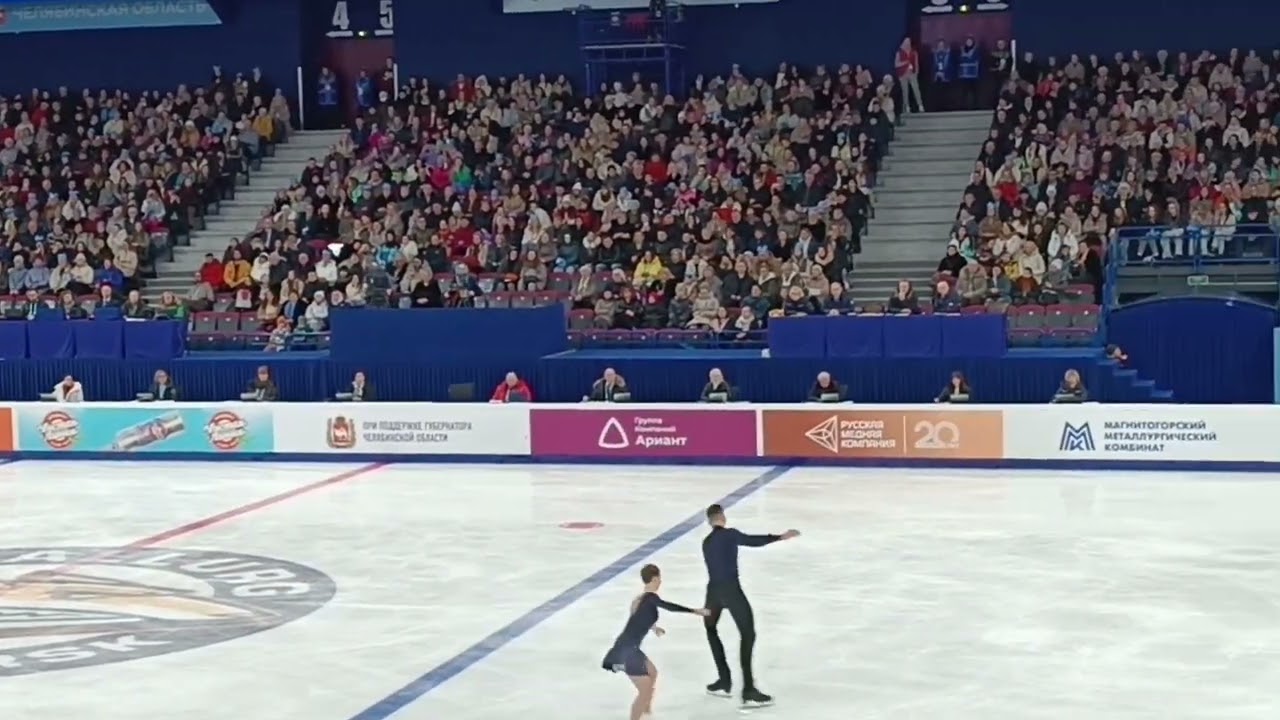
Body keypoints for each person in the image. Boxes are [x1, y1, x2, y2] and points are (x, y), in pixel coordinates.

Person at [702, 504, 800, 709]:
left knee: (711, 629)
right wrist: (779, 537)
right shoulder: (730, 534)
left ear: (709, 521)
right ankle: (748, 690)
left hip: (713, 594)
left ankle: (724, 680)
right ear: (722, 517)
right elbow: (752, 541)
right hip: (731, 591)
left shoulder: (706, 542)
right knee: (748, 634)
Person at [601, 564, 707, 720]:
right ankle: (641, 707)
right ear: (655, 579)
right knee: (644, 690)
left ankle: (646, 708)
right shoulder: (651, 598)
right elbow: (669, 607)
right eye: (659, 579)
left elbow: (638, 619)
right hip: (625, 651)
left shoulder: (639, 600)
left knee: (652, 672)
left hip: (630, 647)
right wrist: (695, 611)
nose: (661, 582)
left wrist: (654, 628)